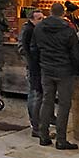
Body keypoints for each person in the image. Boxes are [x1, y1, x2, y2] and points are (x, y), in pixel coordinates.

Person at [30, 2, 79, 150]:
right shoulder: (68, 29)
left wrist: (39, 63)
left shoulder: (39, 27)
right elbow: (75, 53)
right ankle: (61, 139)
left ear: (50, 12)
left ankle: (44, 135)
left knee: (47, 101)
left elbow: (34, 48)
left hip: (46, 68)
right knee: (64, 104)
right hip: (64, 71)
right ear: (63, 13)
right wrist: (76, 69)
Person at [18, 8, 45, 137]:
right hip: (34, 67)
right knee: (35, 94)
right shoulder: (28, 30)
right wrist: (31, 62)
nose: (42, 21)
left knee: (38, 94)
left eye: (43, 18)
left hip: (38, 67)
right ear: (32, 19)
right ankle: (36, 125)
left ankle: (39, 122)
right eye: (39, 18)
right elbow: (23, 48)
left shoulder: (36, 30)